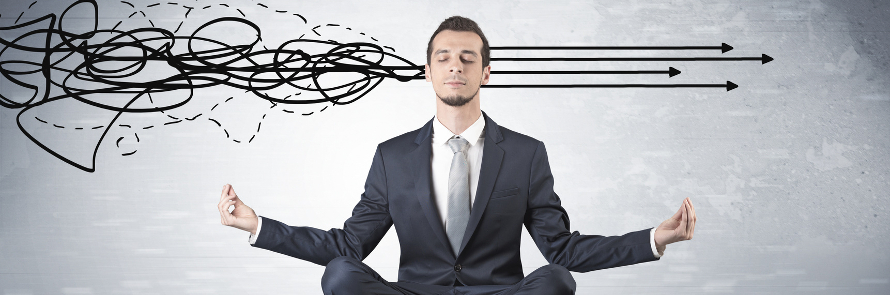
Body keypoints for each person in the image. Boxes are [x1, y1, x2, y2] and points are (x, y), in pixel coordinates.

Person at [217, 16, 697, 295]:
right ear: (428, 71)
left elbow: (562, 248)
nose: (455, 67)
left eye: (467, 59)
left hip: (499, 294)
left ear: (485, 72)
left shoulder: (527, 154)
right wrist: (257, 225)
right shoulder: (392, 156)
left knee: (556, 280)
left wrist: (654, 238)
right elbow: (349, 246)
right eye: (444, 58)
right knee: (340, 273)